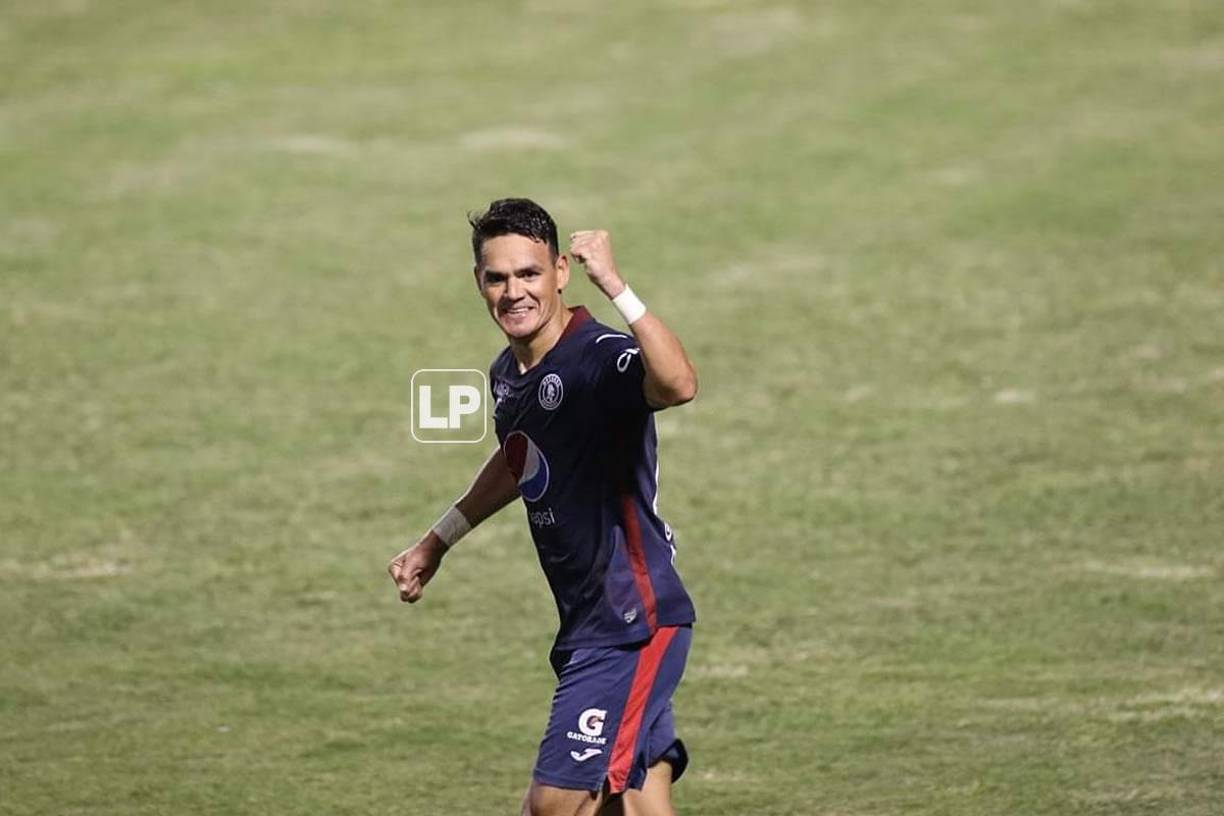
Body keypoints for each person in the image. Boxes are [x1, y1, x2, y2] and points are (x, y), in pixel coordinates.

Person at [388, 198, 699, 816]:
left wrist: (616, 285)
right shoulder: (508, 373)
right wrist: (437, 540)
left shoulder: (597, 355)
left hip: (631, 623)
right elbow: (518, 458)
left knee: (554, 805)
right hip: (589, 621)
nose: (513, 292)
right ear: (478, 282)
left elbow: (677, 384)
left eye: (529, 274)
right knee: (635, 798)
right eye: (497, 277)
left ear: (560, 272)